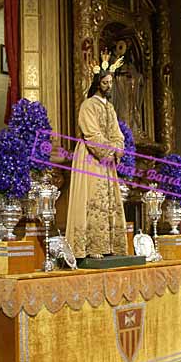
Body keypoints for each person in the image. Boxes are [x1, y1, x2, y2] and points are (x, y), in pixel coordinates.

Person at [66, 51, 128, 259]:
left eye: (110, 82)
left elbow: (117, 133)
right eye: (105, 82)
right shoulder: (88, 105)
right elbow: (91, 132)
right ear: (97, 83)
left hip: (107, 160)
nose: (108, 86)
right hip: (91, 158)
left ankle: (109, 245)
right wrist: (107, 150)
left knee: (109, 201)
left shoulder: (110, 108)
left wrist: (117, 148)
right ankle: (91, 247)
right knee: (92, 199)